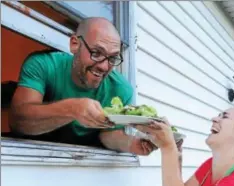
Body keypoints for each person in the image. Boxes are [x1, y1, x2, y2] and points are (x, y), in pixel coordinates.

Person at [9, 17, 156, 156]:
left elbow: (108, 134)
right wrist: (72, 109)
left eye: (112, 58)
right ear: (75, 44)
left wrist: (132, 144)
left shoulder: (121, 89)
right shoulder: (43, 64)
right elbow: (18, 121)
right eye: (96, 53)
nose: (104, 66)